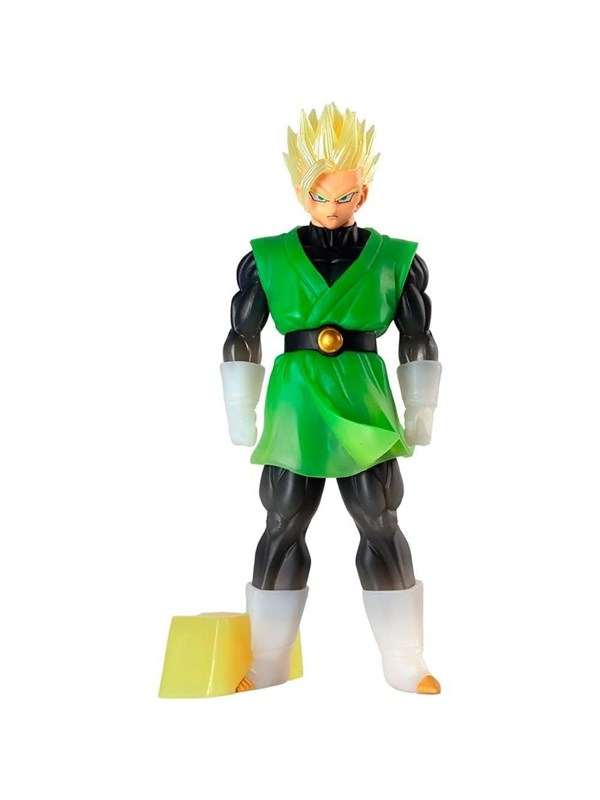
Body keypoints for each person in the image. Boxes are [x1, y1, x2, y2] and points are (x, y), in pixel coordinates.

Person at [220, 103, 442, 694]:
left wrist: (420, 407)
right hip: (295, 404)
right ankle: (267, 659)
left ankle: (405, 659)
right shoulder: (267, 258)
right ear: (302, 191)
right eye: (320, 196)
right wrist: (240, 406)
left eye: (345, 197)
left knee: (380, 521)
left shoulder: (394, 259)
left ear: (362, 193)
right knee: (282, 522)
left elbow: (418, 336)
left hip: (363, 403)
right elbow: (242, 333)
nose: (332, 208)